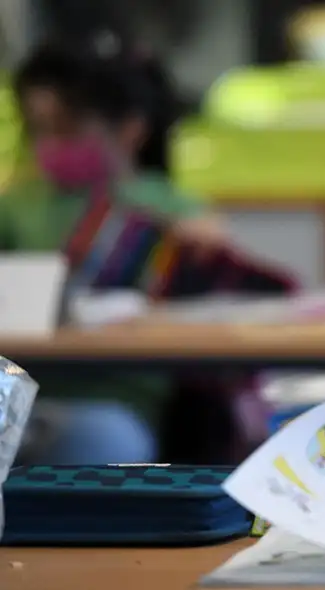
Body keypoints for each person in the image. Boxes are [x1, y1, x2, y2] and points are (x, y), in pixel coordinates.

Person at [0, 40, 229, 464]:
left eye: (67, 128)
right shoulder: (15, 204)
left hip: (117, 401)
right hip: (15, 391)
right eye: (38, 129)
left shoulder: (173, 209)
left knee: (102, 446)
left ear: (129, 128)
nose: (50, 143)